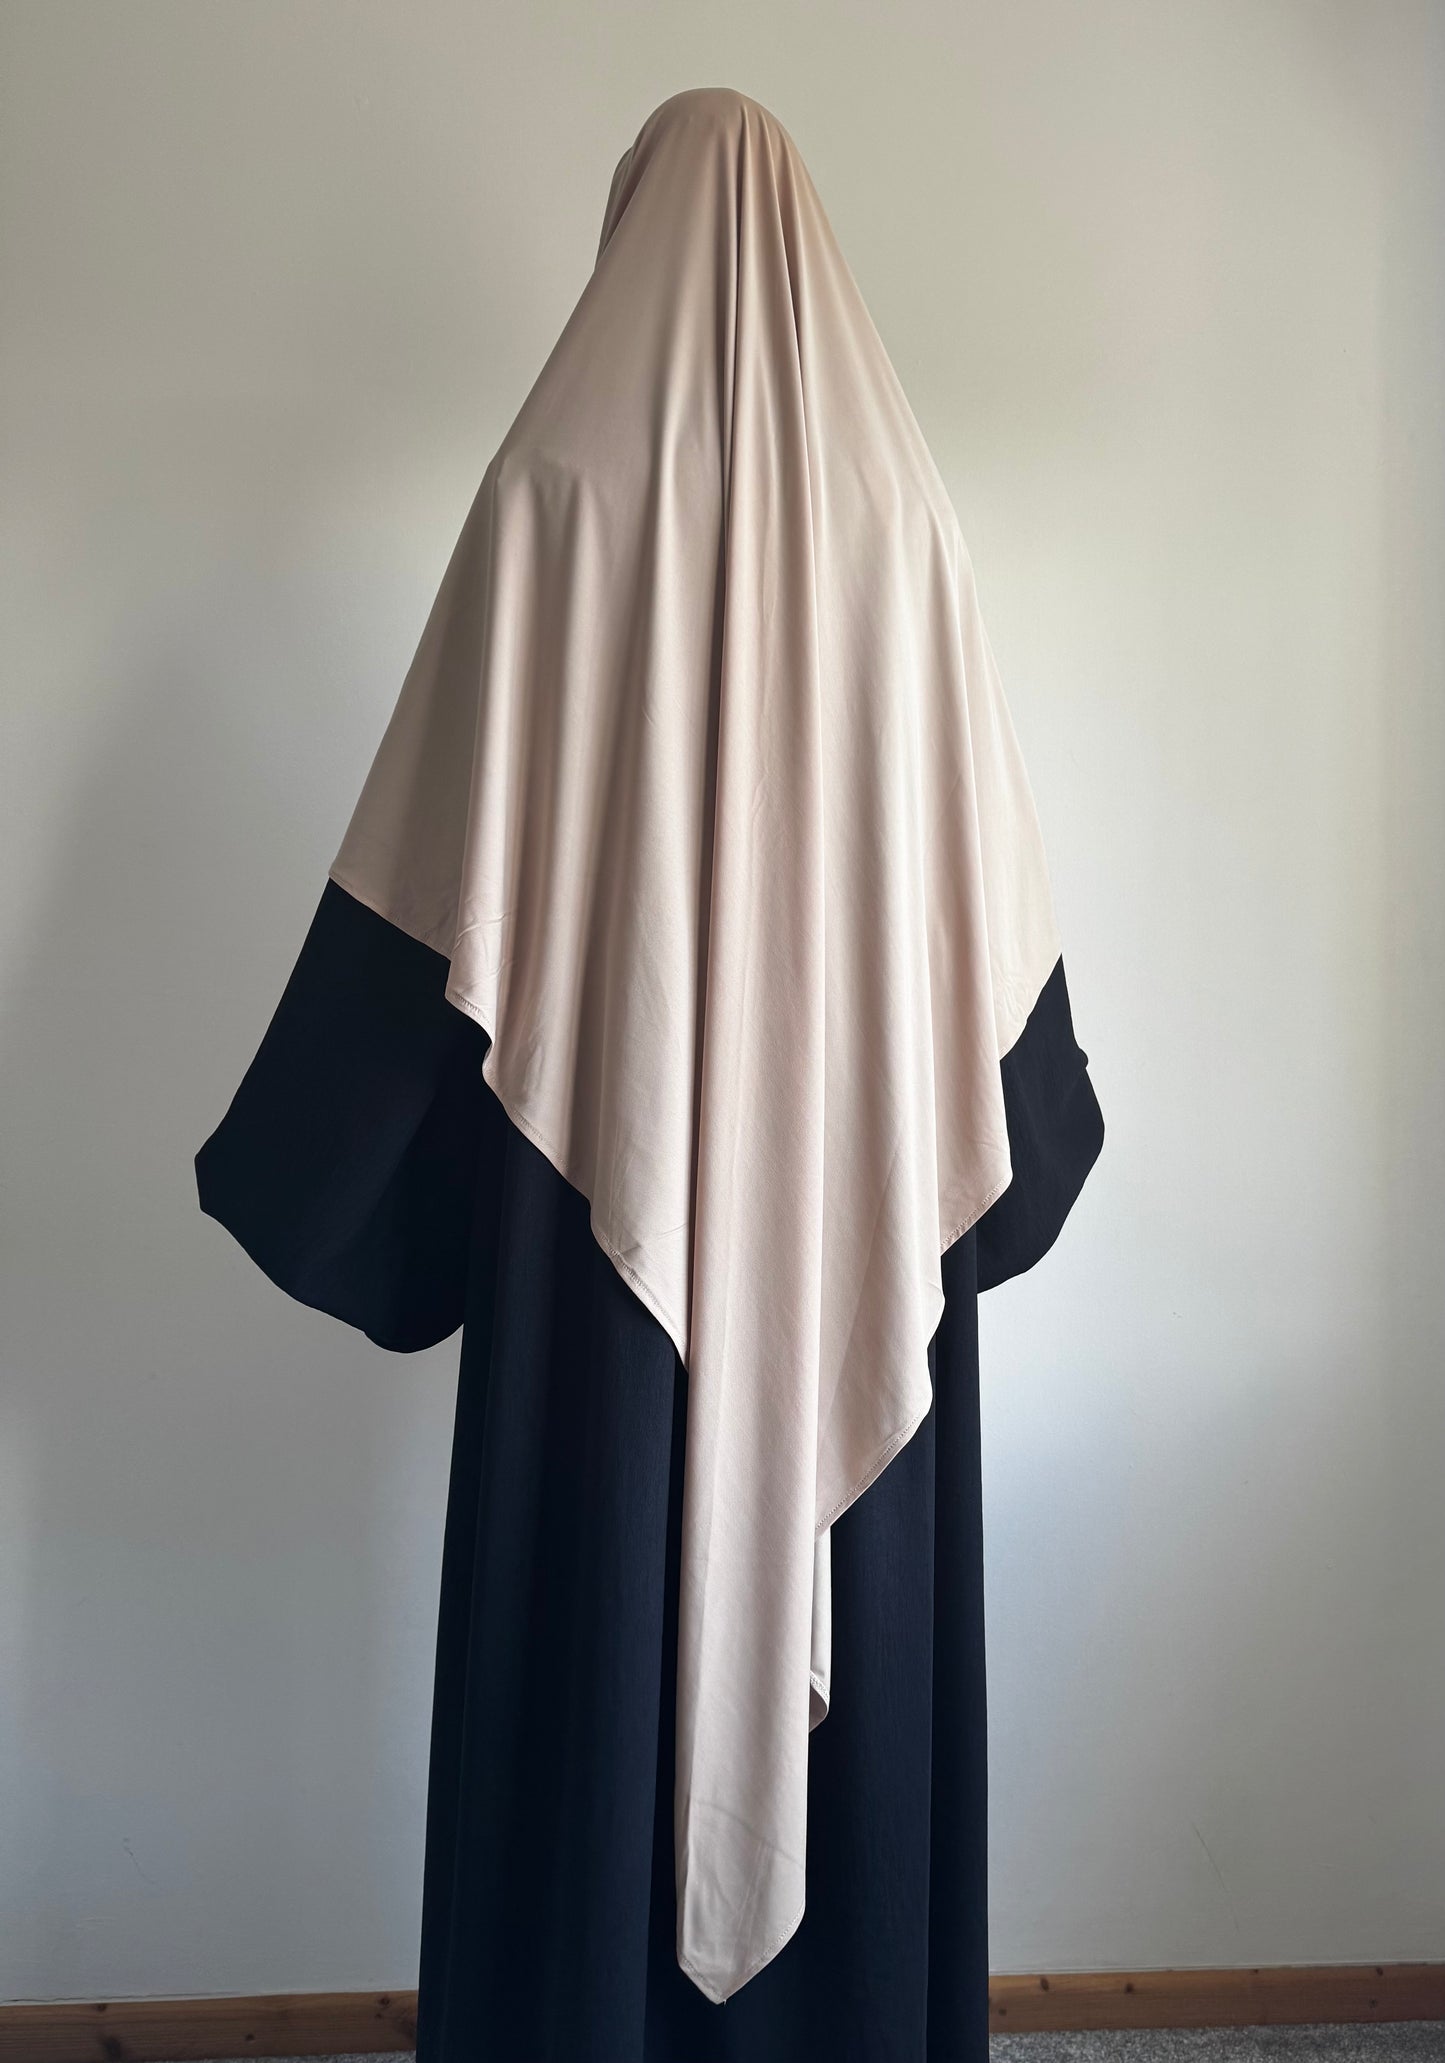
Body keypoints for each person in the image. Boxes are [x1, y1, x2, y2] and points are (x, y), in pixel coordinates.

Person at [196, 85, 1104, 2063]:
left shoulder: (548, 496)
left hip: (587, 1265)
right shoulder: (906, 529)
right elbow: (995, 988)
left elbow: (434, 906)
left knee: (584, 1652)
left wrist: (336, 1179)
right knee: (861, 1668)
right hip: (862, 1231)